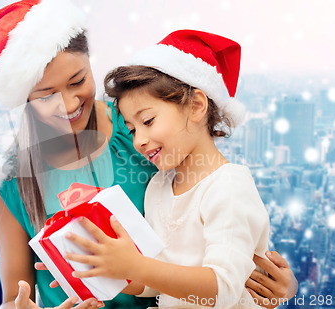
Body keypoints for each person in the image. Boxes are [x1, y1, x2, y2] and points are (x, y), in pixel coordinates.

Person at [0, 0, 297, 307]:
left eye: (78, 81)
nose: (69, 104)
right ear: (24, 98)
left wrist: (280, 285)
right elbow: (15, 296)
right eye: (45, 96)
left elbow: (218, 223)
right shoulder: (13, 181)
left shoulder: (139, 124)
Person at [62, 30, 298, 309]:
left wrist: (136, 266)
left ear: (197, 106)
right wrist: (108, 266)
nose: (139, 140)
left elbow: (223, 291)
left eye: (148, 121)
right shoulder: (158, 187)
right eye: (132, 129)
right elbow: (155, 282)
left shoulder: (228, 187)